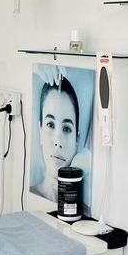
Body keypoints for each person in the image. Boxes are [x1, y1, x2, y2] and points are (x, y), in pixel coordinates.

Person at [30, 66, 92, 203]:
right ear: (40, 131)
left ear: (77, 139)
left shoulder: (87, 211)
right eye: (50, 125)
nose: (58, 141)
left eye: (67, 129)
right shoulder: (27, 198)